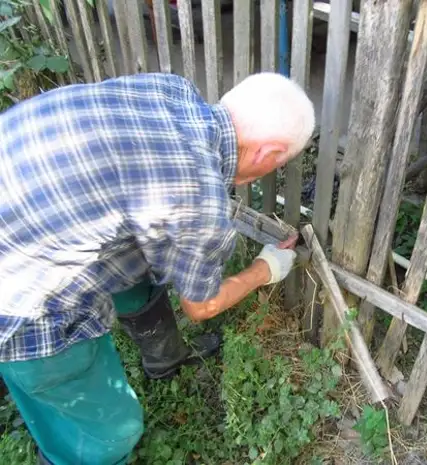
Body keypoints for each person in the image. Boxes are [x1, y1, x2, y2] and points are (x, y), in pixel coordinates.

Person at [0, 71, 315, 465]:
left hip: (18, 200)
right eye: (278, 163)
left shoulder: (172, 89)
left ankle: (164, 359)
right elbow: (202, 307)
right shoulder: (198, 202)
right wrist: (266, 268)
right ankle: (69, 450)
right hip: (18, 300)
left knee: (144, 261)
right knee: (109, 435)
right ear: (267, 154)